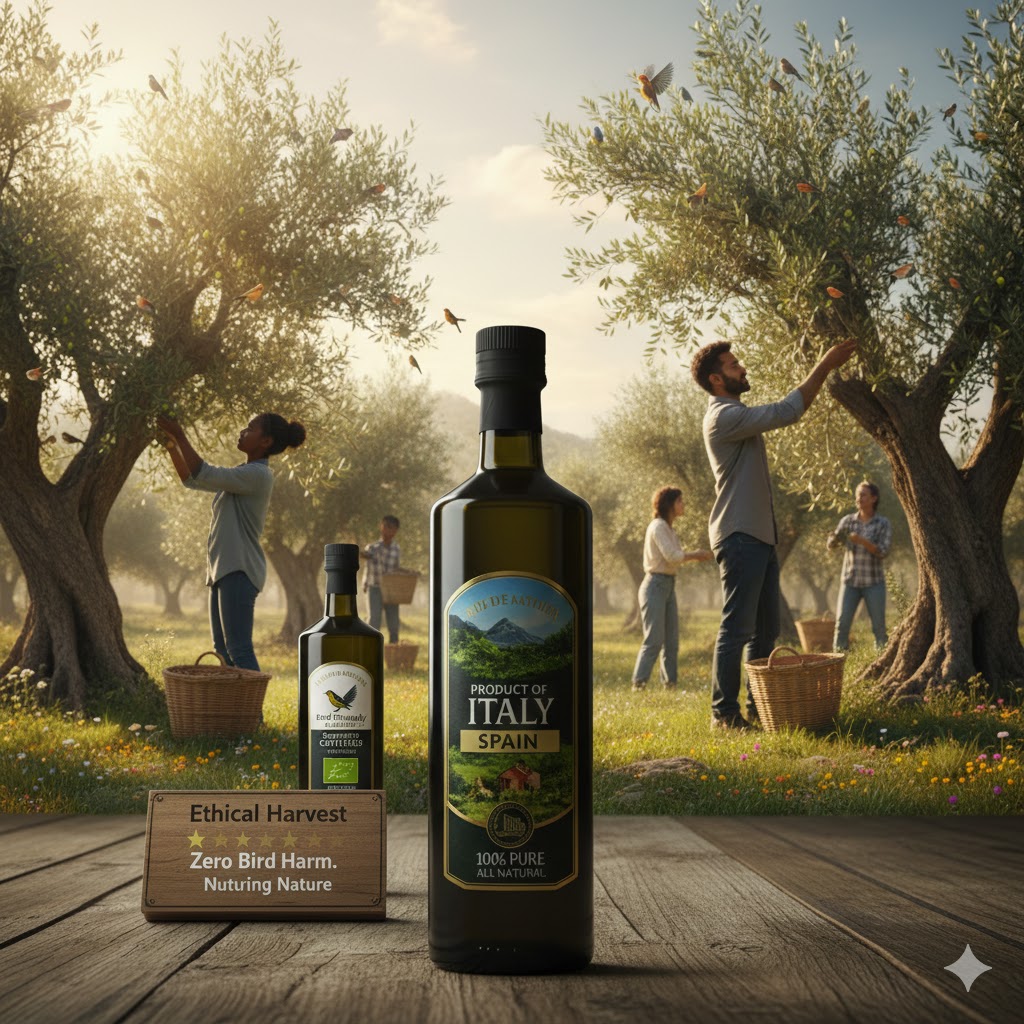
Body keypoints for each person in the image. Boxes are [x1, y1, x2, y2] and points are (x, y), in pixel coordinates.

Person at [691, 337, 857, 730]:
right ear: (716, 379)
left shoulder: (736, 413)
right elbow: (788, 410)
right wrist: (825, 363)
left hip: (759, 537)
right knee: (737, 628)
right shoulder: (723, 416)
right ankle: (724, 714)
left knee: (765, 631)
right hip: (740, 535)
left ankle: (758, 708)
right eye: (734, 365)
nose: (742, 368)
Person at [157, 412, 306, 671]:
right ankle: (234, 711)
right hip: (223, 570)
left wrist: (180, 435)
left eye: (250, 428)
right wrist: (172, 445)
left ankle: (253, 713)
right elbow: (191, 480)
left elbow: (202, 472)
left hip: (239, 570)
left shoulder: (258, 476)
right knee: (224, 652)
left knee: (239, 649)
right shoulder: (244, 474)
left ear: (266, 441)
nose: (243, 431)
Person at [631, 487, 712, 692]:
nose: (683, 505)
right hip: (655, 585)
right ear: (669, 504)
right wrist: (696, 554)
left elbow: (674, 558)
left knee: (671, 641)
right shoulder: (658, 527)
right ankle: (638, 685)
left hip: (667, 585)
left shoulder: (668, 528)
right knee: (654, 640)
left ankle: (670, 685)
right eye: (680, 501)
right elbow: (673, 556)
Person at [827, 480, 892, 650]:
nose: (858, 498)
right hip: (850, 581)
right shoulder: (848, 521)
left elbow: (883, 552)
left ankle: (881, 661)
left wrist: (862, 541)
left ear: (873, 498)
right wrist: (834, 538)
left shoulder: (882, 523)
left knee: (878, 627)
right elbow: (831, 545)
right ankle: (838, 662)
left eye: (863, 494)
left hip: (874, 582)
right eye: (857, 494)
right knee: (842, 625)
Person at [363, 514, 401, 643]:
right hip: (374, 587)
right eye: (386, 527)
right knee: (374, 619)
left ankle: (394, 649)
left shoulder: (396, 549)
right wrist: (364, 583)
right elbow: (366, 564)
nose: (388, 530)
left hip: (391, 590)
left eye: (392, 528)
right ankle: (371, 647)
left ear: (396, 531)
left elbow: (396, 568)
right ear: (381, 527)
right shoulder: (372, 548)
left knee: (393, 621)